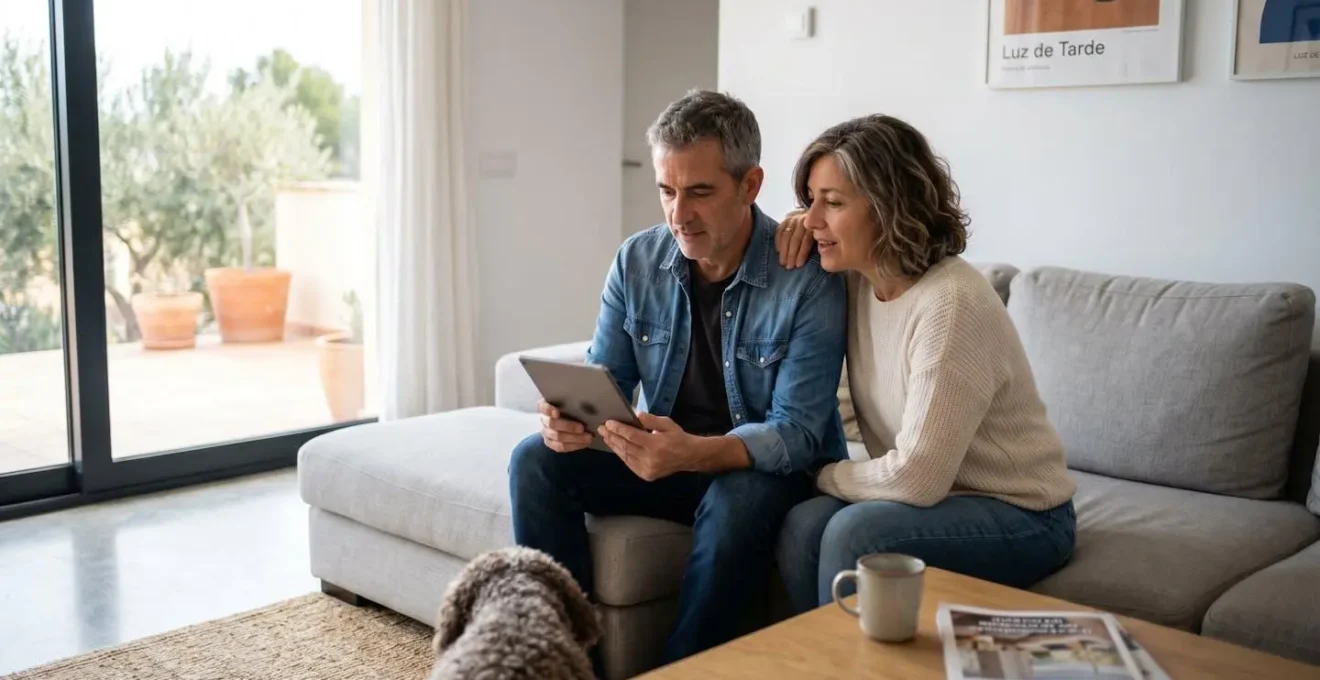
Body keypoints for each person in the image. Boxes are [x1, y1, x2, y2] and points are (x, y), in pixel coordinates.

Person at [507, 90, 849, 663]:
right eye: (667, 190)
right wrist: (572, 421)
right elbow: (606, 381)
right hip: (664, 459)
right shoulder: (637, 261)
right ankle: (561, 665)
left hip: (764, 470)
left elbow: (799, 434)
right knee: (534, 461)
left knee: (736, 500)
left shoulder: (806, 276)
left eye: (699, 192)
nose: (677, 214)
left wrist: (693, 452)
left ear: (750, 185)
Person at [772, 114, 1077, 613]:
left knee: (856, 533)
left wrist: (823, 475)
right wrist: (797, 223)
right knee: (802, 524)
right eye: (810, 199)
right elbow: (783, 244)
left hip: (1024, 514)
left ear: (888, 208)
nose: (812, 219)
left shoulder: (951, 303)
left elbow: (916, 478)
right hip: (935, 500)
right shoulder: (854, 279)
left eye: (832, 202)